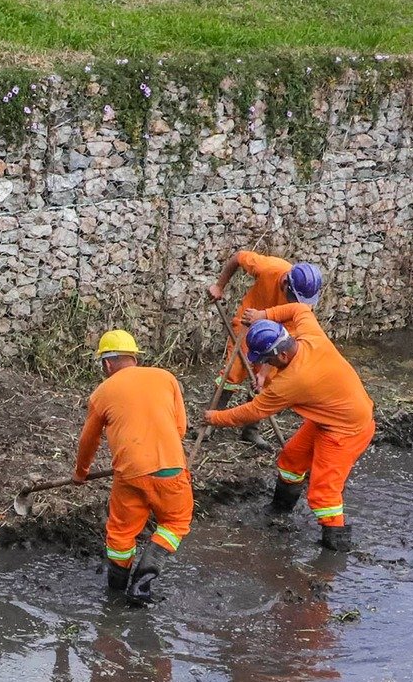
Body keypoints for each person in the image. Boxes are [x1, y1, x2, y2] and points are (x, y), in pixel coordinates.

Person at [207, 303, 374, 552]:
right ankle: (280, 509)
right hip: (330, 417)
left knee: (323, 495)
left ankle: (335, 549)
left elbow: (252, 411)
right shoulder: (309, 336)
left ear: (282, 356)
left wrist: (215, 417)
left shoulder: (294, 381)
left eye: (266, 360)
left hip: (346, 430)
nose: (264, 364)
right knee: (291, 459)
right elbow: (299, 310)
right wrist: (264, 315)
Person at [74, 329, 193, 605]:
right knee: (175, 523)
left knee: (121, 533)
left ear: (106, 364)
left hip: (129, 475)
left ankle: (115, 588)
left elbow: (88, 440)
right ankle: (142, 582)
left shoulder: (102, 393)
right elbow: (180, 428)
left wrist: (81, 473)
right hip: (171, 471)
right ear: (135, 359)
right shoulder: (166, 378)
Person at [206, 252, 324, 422]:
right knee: (233, 372)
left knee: (266, 381)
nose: (296, 303)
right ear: (285, 283)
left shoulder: (303, 306)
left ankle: (251, 428)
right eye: (294, 298)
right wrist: (219, 286)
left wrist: (262, 373)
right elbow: (238, 257)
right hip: (247, 324)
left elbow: (283, 343)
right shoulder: (270, 267)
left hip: (276, 337)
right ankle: (212, 419)